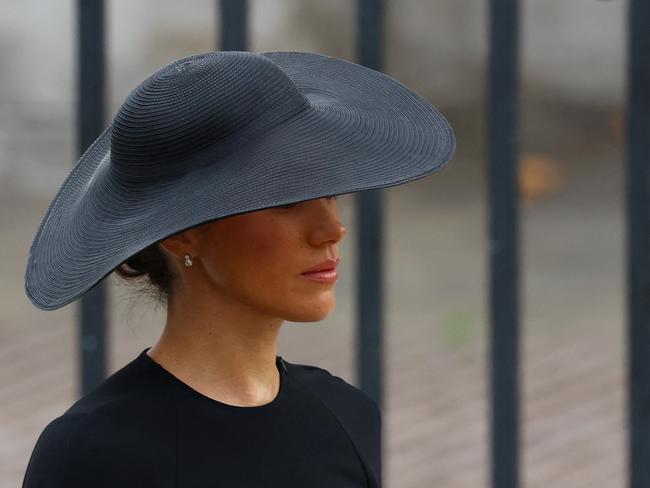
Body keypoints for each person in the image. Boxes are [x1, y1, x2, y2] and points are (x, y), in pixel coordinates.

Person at [22, 50, 456, 487]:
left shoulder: (346, 416)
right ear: (182, 234)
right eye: (287, 200)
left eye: (330, 192)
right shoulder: (91, 454)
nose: (333, 229)